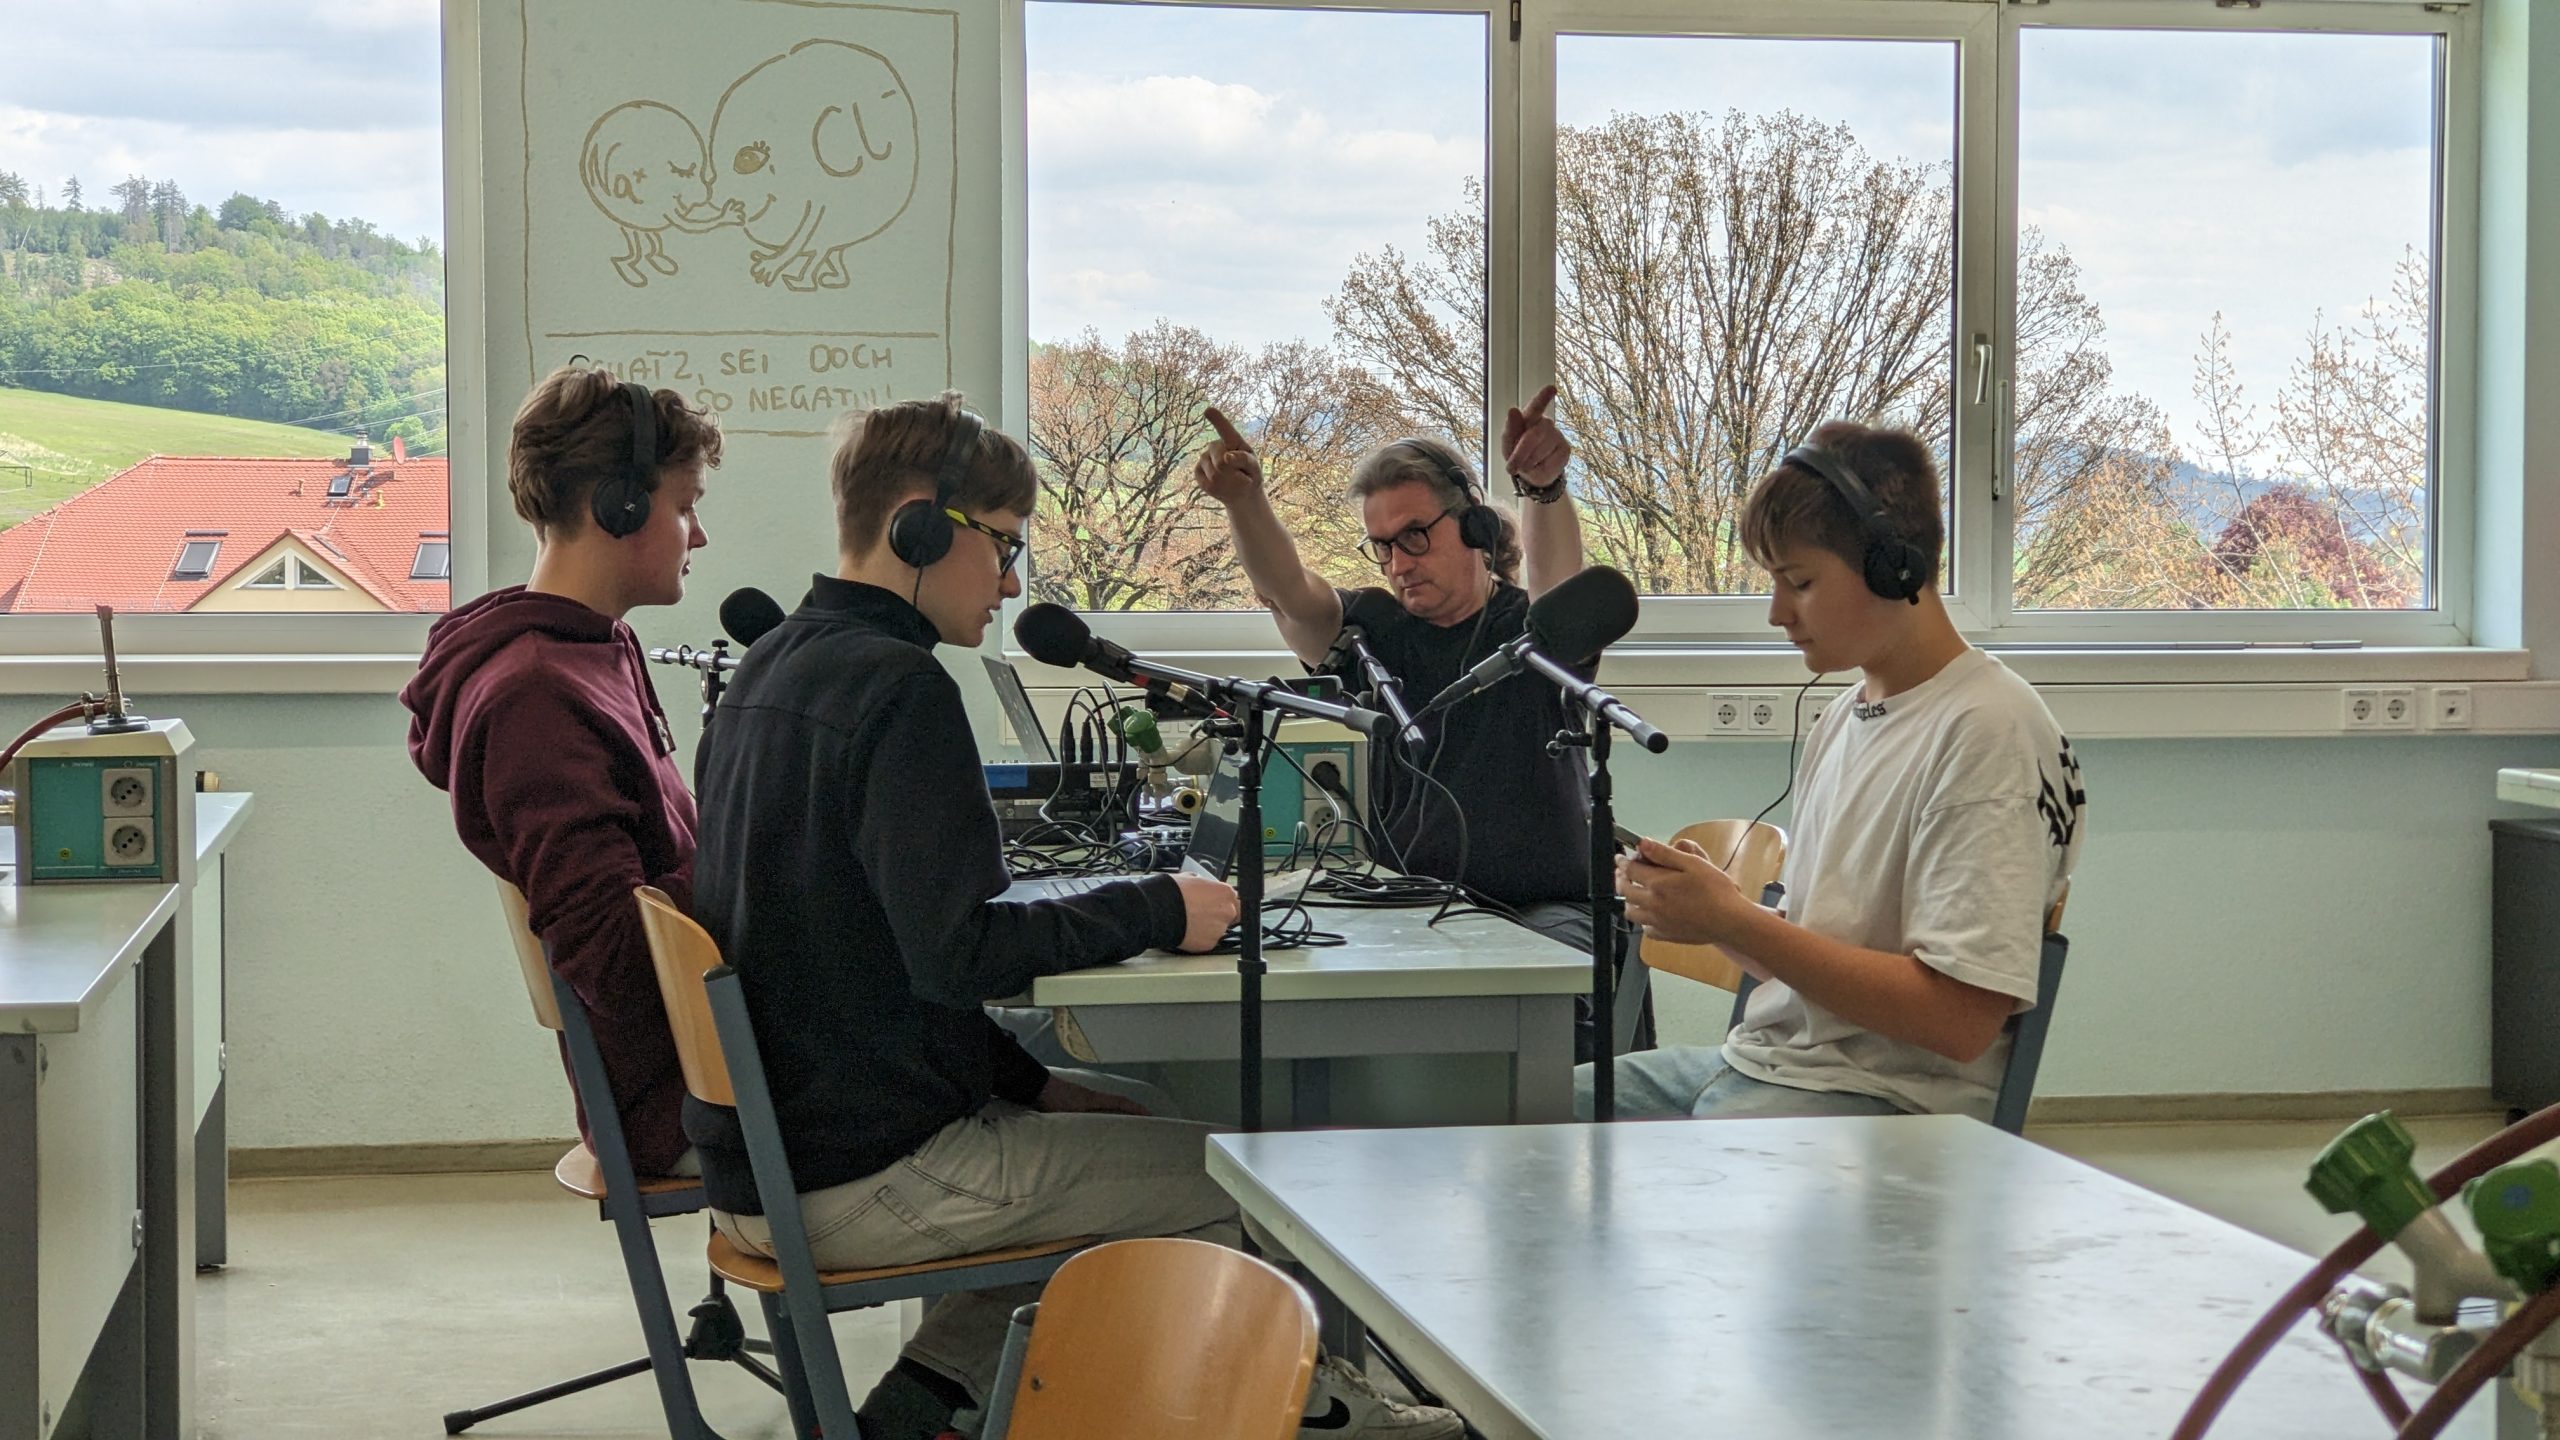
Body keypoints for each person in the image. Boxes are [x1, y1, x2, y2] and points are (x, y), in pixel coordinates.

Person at [687, 393, 1464, 1440]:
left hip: (774, 1159)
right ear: (921, 528)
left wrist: (1034, 1083)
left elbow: (875, 955)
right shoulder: (898, 689)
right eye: (1004, 545)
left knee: (1124, 1108)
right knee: (1245, 1181)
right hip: (861, 1176)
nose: (1011, 582)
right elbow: (962, 954)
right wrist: (1157, 904)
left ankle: (919, 1409)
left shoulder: (773, 663)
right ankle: (1329, 1417)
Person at [1580, 421, 2085, 1123]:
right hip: (1762, 1067)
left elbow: (1959, 1019)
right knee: (1510, 1112)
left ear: (1891, 566)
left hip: (1882, 1105)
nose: (1776, 613)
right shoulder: (1845, 717)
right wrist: (1714, 915)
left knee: (1569, 1165)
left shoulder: (1987, 733)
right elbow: (1816, 963)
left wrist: (1736, 921)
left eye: (1800, 582)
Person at [1194, 386, 1644, 1060]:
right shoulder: (1373, 632)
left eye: (1414, 536)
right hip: (1411, 908)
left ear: (1475, 528)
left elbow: (1560, 585)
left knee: (1517, 1016)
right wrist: (1244, 501)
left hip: (1550, 911)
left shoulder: (1530, 630)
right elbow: (1290, 593)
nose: (1399, 564)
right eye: (1382, 547)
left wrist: (1543, 488)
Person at [404, 364, 721, 1176]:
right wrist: (760, 862)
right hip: (689, 1099)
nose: (699, 536)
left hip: (713, 1058)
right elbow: (616, 956)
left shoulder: (596, 645)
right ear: (619, 508)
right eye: (685, 507)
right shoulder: (536, 695)